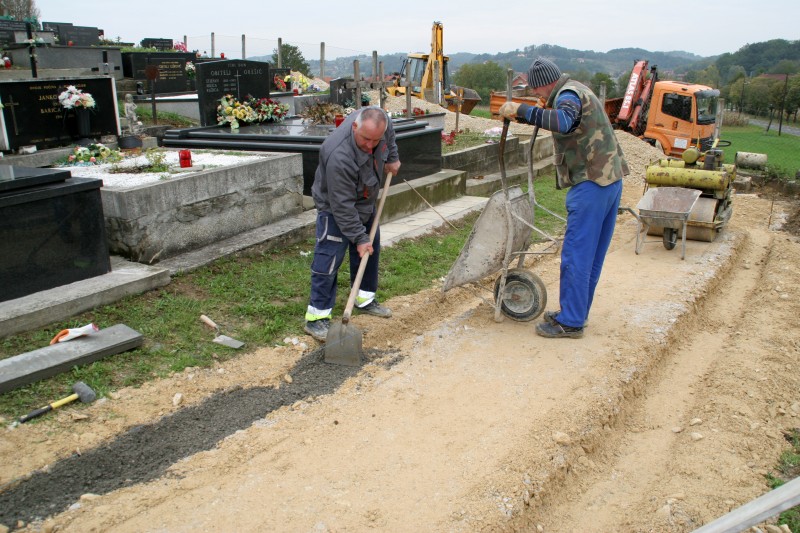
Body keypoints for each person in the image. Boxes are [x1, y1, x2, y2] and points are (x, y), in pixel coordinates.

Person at [499, 58, 629, 339]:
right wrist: (524, 115)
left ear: (543, 83)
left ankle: (570, 322)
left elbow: (564, 121)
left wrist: (520, 109)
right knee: (591, 256)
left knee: (576, 255)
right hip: (610, 180)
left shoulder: (567, 95)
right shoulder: (577, 89)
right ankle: (576, 313)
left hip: (592, 183)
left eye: (536, 91)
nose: (537, 96)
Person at [304, 106, 402, 342]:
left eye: (375, 141)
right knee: (328, 259)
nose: (370, 146)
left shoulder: (380, 124)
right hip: (336, 207)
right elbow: (342, 207)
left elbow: (389, 137)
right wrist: (359, 238)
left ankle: (364, 299)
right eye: (366, 140)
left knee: (370, 252)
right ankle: (316, 318)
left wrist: (392, 158)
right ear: (354, 127)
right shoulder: (338, 155)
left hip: (366, 199)